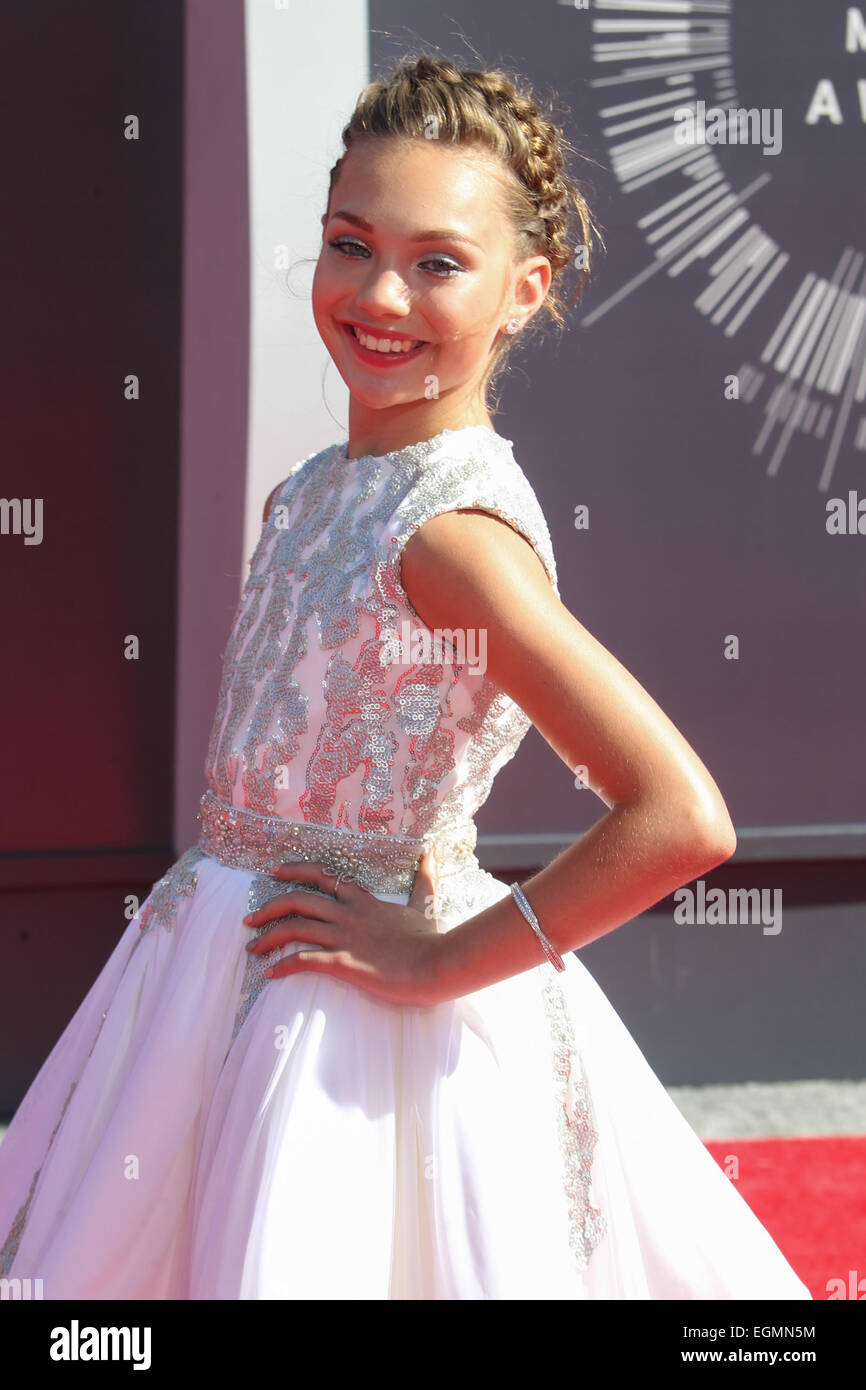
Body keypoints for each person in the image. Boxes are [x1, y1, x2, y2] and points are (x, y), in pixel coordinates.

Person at [0, 53, 811, 1300]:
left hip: (345, 1021)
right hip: (208, 974)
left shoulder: (452, 540)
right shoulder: (312, 490)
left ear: (524, 289)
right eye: (349, 244)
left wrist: (434, 962)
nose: (379, 294)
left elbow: (678, 814)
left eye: (437, 261)